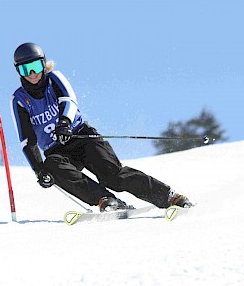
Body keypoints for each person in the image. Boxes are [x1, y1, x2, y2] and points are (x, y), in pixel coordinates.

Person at [10, 43, 193, 212]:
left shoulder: (54, 79)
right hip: (56, 150)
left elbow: (69, 100)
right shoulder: (19, 100)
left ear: (44, 64)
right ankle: (105, 200)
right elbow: (27, 140)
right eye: (26, 69)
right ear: (18, 71)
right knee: (52, 165)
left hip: (81, 137)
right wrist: (38, 170)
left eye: (36, 66)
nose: (32, 73)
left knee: (113, 177)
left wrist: (64, 123)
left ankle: (169, 197)